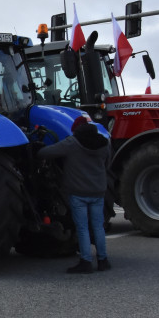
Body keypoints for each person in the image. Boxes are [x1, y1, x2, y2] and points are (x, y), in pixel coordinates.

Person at [36, 116, 111, 273]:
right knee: (98, 226)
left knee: (82, 228)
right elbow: (107, 163)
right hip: (98, 192)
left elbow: (47, 153)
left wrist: (36, 149)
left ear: (76, 129)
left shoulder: (72, 143)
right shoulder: (104, 143)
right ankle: (103, 260)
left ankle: (86, 261)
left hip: (78, 193)